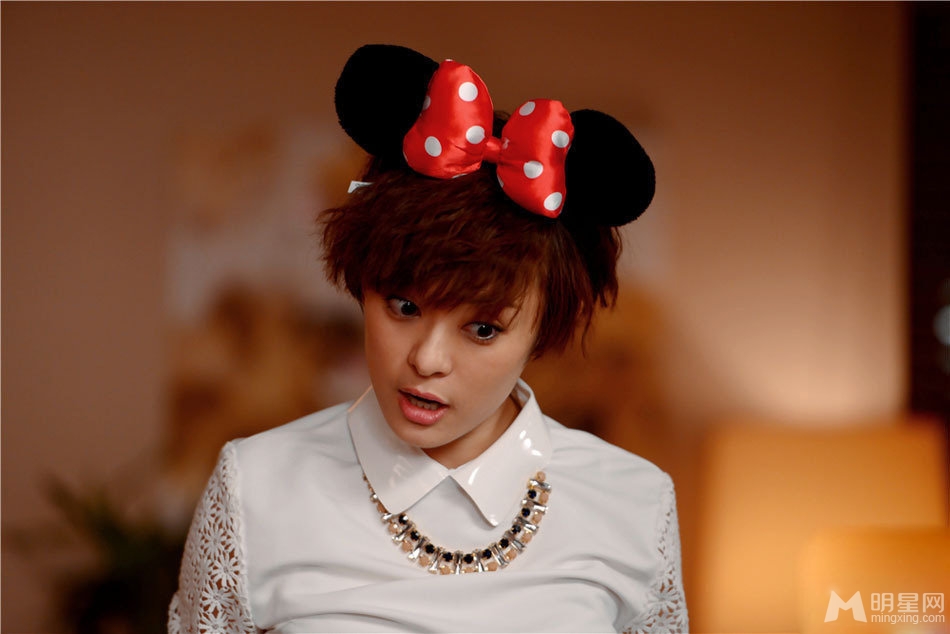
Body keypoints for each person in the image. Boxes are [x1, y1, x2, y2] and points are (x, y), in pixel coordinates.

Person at [168, 44, 688, 633]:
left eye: (483, 329)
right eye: (404, 307)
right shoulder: (255, 486)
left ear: (543, 331)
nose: (427, 358)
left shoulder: (634, 503)